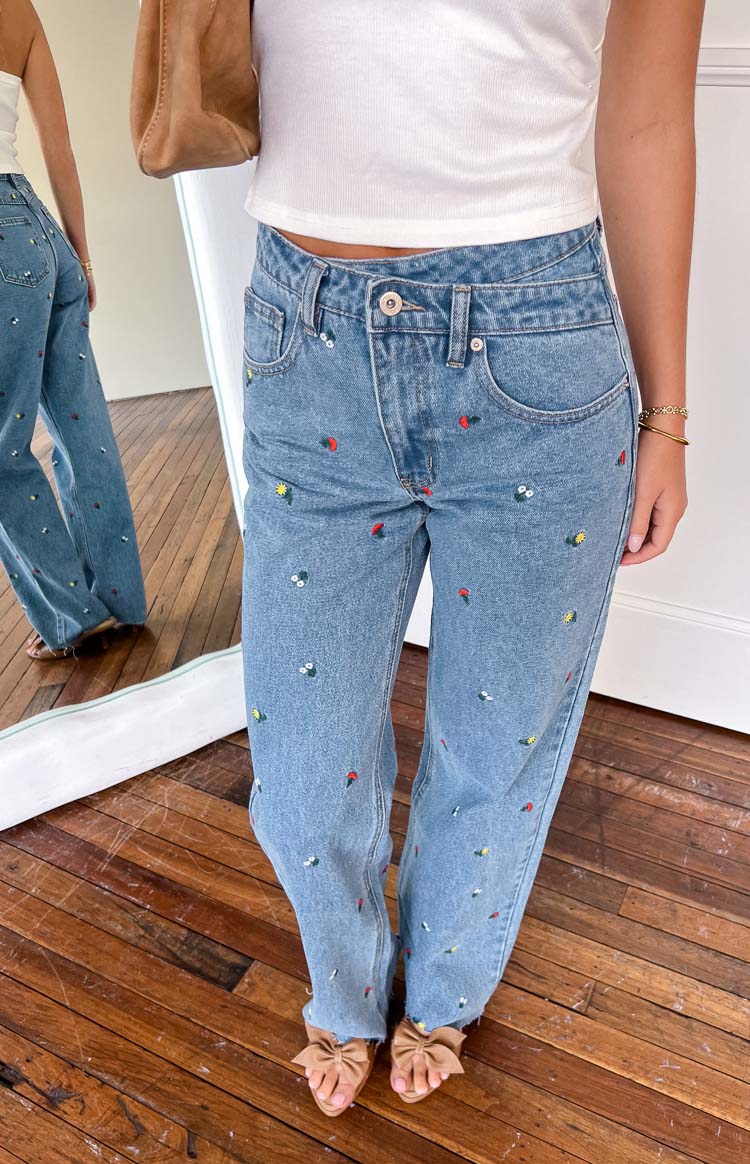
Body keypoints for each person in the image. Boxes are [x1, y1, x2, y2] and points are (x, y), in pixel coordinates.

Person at [240, 0, 702, 1114]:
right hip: (306, 336)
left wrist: (668, 419)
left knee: (498, 743)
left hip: (538, 350)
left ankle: (441, 992)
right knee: (301, 781)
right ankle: (346, 992)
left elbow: (645, 122)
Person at [0, 0, 146, 660]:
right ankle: (119, 603)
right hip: (37, 231)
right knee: (82, 428)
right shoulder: (18, 8)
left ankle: (70, 616)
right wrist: (79, 256)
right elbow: (58, 144)